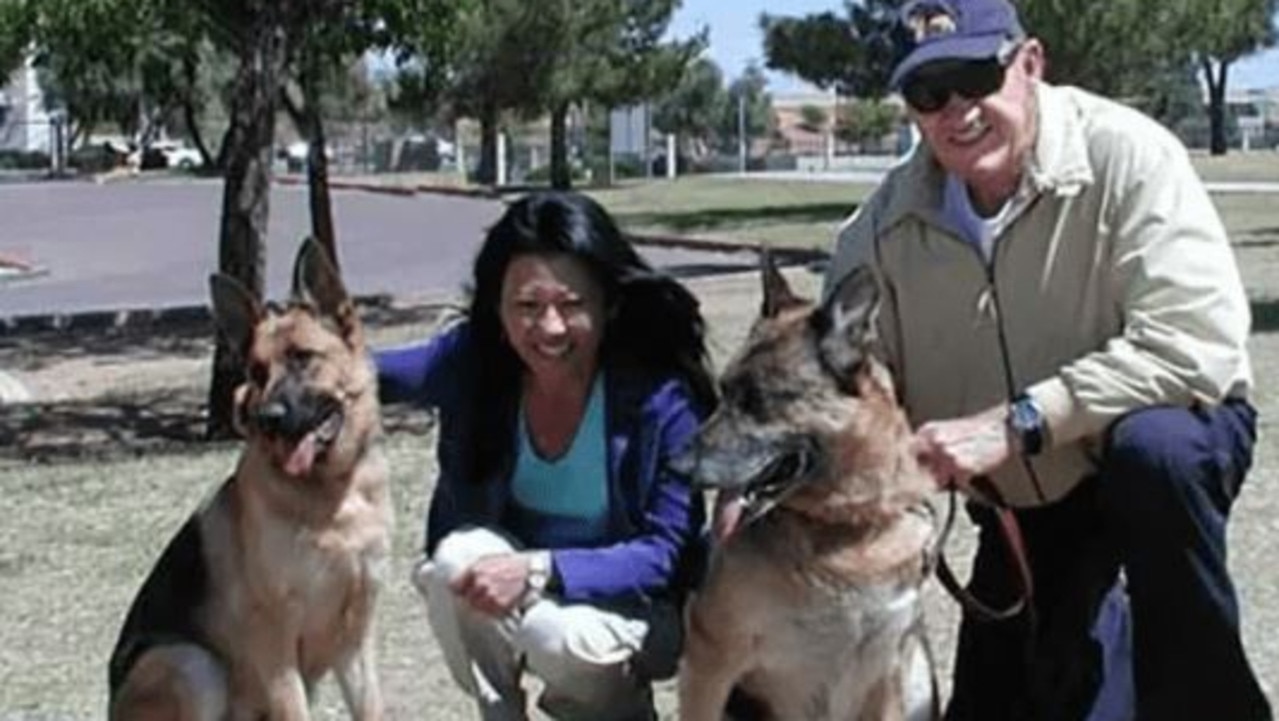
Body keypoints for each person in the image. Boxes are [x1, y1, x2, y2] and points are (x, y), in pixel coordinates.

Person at [822, 0, 1272, 719]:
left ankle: (1203, 700)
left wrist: (1021, 419)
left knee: (1156, 454)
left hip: (1145, 453)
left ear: (1028, 63)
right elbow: (834, 381)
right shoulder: (879, 229)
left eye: (975, 76)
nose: (955, 110)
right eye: (927, 92)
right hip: (1022, 502)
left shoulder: (1128, 154)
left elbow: (1195, 345)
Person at [376, 190, 716, 721]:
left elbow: (664, 553)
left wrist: (539, 569)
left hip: (636, 612)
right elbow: (367, 372)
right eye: (527, 307)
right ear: (498, 307)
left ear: (609, 303)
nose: (550, 328)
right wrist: (290, 364)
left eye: (572, 305)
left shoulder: (659, 396)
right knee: (455, 563)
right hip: (527, 600)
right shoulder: (475, 359)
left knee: (551, 633)